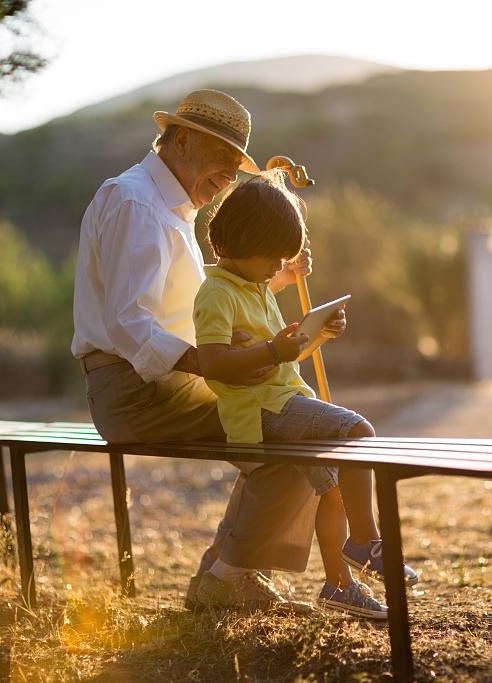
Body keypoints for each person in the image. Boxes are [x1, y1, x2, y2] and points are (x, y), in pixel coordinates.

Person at [71, 89, 321, 612]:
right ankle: (226, 579)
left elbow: (195, 309)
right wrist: (207, 363)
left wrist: (269, 279)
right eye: (224, 160)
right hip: (136, 392)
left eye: (237, 166)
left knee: (290, 427)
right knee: (293, 430)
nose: (230, 177)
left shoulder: (168, 205)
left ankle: (227, 574)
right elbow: (130, 322)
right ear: (181, 140)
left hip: (159, 384)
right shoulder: (136, 202)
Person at [191, 171, 419, 619]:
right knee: (356, 429)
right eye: (271, 257)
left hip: (280, 400)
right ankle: (365, 540)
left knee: (331, 488)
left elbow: (281, 358)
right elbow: (212, 363)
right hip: (259, 412)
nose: (278, 267)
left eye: (282, 258)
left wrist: (316, 336)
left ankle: (338, 583)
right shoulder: (216, 294)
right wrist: (276, 348)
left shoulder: (255, 288)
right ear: (237, 243)